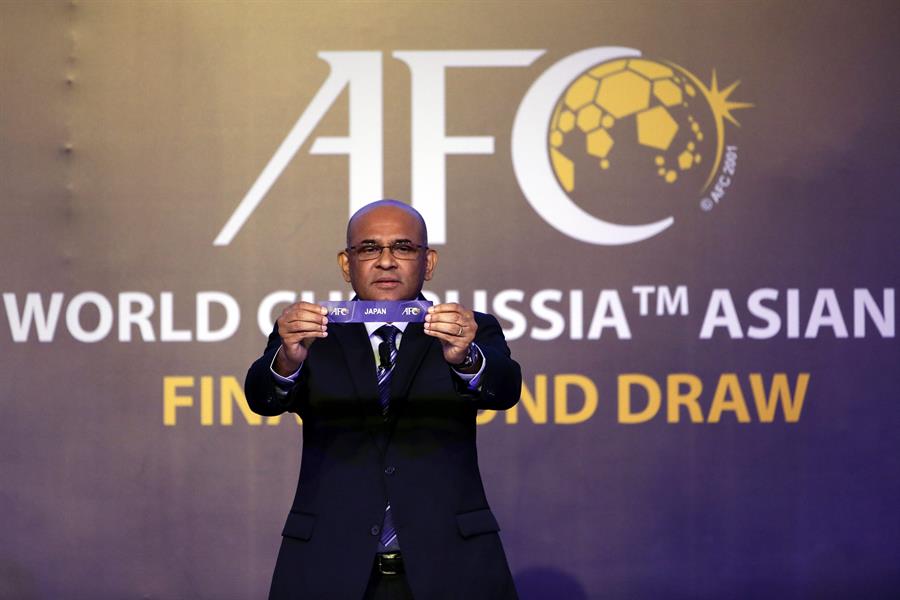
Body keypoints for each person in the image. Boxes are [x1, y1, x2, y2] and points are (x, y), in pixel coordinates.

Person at [245, 199, 522, 600]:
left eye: (403, 247)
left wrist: (466, 357)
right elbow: (262, 398)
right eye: (370, 248)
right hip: (329, 567)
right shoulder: (310, 334)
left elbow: (506, 389)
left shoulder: (467, 330)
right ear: (346, 264)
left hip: (451, 568)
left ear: (428, 262)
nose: (386, 261)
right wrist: (287, 360)